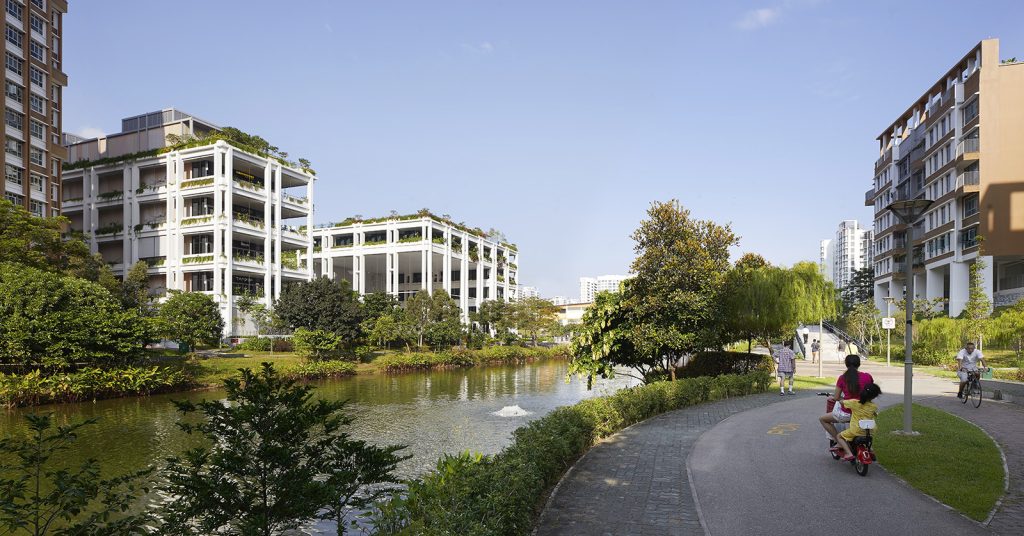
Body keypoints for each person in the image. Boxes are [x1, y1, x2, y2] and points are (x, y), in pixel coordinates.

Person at [819, 354, 874, 442]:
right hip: (864, 412)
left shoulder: (842, 378)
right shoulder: (868, 376)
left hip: (847, 413)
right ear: (859, 364)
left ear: (846, 364)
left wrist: (843, 399)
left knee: (823, 419)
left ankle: (839, 440)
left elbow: (836, 397)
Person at [834, 382, 882, 462]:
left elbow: (841, 402)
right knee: (867, 439)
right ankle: (870, 451)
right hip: (870, 430)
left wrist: (843, 399)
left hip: (856, 430)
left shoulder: (854, 403)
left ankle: (849, 453)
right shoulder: (874, 406)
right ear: (874, 396)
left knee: (839, 436)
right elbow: (874, 413)